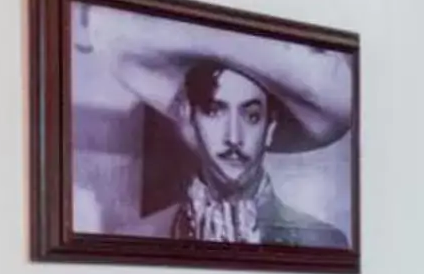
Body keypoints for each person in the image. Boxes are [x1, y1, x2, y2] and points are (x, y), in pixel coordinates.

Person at [113, 29, 354, 248]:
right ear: (189, 116)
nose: (233, 138)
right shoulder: (140, 238)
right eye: (214, 111)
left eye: (251, 116)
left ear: (270, 128)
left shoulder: (323, 243)